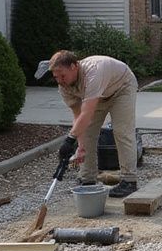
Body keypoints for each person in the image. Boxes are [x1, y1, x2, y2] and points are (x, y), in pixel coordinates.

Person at [47, 50, 139, 198]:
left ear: (74, 66)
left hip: (122, 87)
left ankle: (129, 181)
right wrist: (80, 147)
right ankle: (87, 180)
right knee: (88, 134)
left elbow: (87, 113)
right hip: (98, 95)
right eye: (56, 77)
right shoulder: (64, 87)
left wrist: (69, 140)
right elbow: (78, 116)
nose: (60, 81)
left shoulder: (93, 72)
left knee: (122, 132)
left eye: (62, 75)